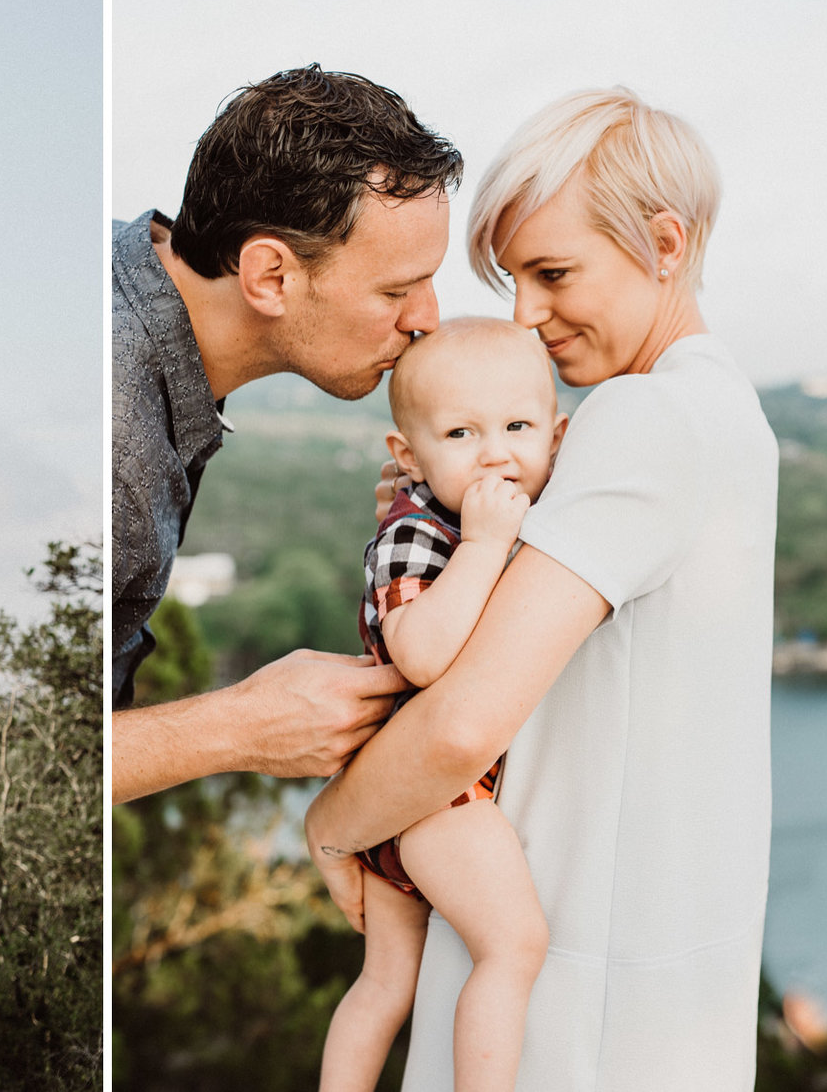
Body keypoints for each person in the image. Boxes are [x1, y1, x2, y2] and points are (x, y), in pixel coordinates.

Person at [304, 87, 771, 1088]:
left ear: (662, 241)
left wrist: (331, 820)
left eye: (553, 271)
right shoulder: (726, 411)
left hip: (576, 1013)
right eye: (514, 277)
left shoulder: (641, 420)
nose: (524, 313)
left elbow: (461, 726)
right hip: (657, 1002)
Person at [111, 65, 461, 802]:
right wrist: (239, 726)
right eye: (397, 289)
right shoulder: (116, 445)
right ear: (270, 275)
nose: (426, 316)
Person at [318, 320, 563, 1092]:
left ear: (556, 435)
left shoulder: (495, 503)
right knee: (514, 945)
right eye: (461, 432)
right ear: (410, 455)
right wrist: (487, 547)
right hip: (430, 797)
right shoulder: (416, 534)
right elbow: (420, 653)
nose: (496, 452)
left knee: (389, 984)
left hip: (405, 795)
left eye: (518, 427)